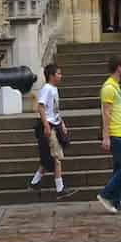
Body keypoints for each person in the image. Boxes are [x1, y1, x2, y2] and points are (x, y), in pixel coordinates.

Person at [95, 55, 121, 214]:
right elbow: (106, 113)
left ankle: (116, 203)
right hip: (115, 133)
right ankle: (105, 194)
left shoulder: (115, 86)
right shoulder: (109, 88)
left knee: (119, 167)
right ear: (119, 68)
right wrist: (106, 137)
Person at [27, 62, 69, 200]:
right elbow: (41, 107)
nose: (60, 76)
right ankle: (60, 189)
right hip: (49, 126)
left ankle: (35, 182)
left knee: (49, 158)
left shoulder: (54, 89)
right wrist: (46, 126)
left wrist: (61, 123)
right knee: (56, 158)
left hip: (54, 124)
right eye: (58, 73)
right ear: (51, 76)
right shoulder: (47, 89)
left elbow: (55, 109)